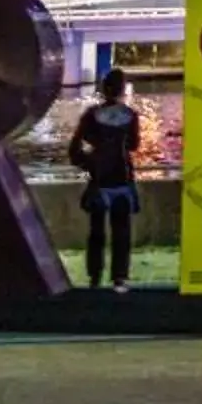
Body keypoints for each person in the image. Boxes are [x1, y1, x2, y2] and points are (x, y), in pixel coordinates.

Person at [67, 69, 141, 292]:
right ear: (122, 89)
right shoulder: (131, 115)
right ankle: (119, 278)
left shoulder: (91, 115)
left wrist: (89, 163)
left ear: (103, 88)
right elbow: (134, 145)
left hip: (99, 180)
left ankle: (95, 277)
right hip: (122, 178)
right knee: (122, 231)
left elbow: (74, 149)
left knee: (96, 232)